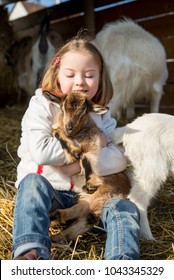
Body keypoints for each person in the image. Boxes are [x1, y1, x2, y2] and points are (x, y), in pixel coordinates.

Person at [12, 35, 140, 260]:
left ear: (101, 78)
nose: (80, 81)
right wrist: (94, 142)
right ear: (57, 74)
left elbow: (119, 159)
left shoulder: (102, 112)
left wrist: (75, 167)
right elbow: (43, 153)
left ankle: (122, 262)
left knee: (124, 207)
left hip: (93, 198)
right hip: (51, 193)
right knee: (31, 184)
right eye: (70, 75)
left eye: (89, 75)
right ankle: (30, 251)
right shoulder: (41, 106)